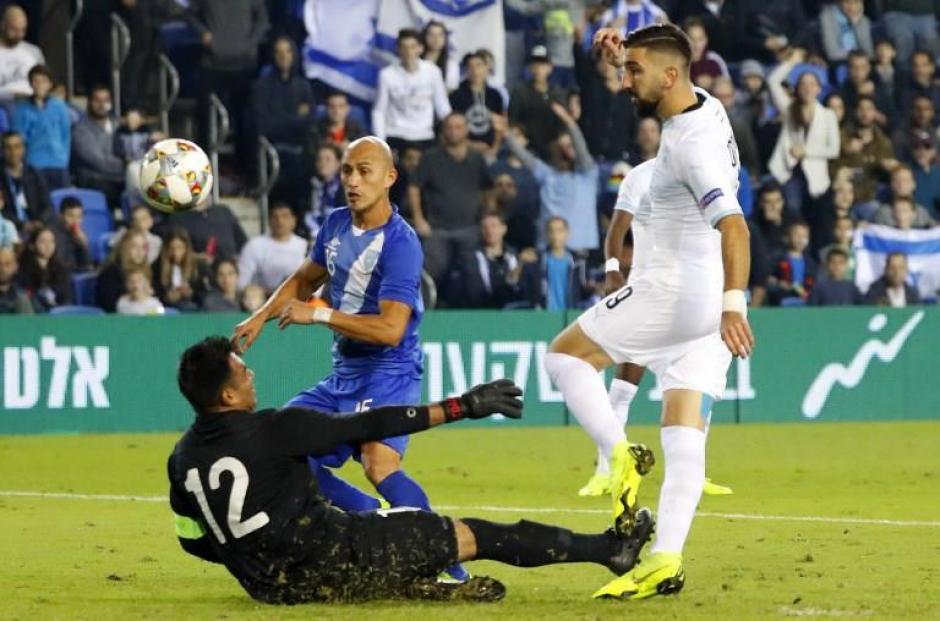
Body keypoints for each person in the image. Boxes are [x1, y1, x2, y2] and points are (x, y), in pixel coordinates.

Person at [169, 336, 654, 603]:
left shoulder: (182, 459)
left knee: (374, 537)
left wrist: (252, 558)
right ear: (228, 396)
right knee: (472, 534)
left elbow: (193, 540)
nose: (251, 375)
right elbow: (371, 422)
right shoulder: (275, 428)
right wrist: (461, 406)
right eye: (243, 373)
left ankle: (410, 584)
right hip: (334, 556)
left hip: (268, 588)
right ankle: (610, 550)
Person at [546, 24, 753, 600]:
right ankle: (665, 559)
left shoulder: (690, 146)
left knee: (562, 359)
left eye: (634, 71)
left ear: (667, 77)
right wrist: (624, 58)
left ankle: (618, 456)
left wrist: (735, 304)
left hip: (675, 292)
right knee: (685, 438)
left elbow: (734, 224)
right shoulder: (705, 106)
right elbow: (663, 68)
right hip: (705, 307)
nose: (625, 78)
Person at [231, 136, 472, 582]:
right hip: (345, 370)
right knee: (281, 450)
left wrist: (321, 314)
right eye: (347, 171)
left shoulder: (401, 244)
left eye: (365, 171)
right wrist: (260, 317)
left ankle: (445, 563)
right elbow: (305, 278)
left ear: (390, 178)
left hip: (388, 371)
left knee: (378, 463)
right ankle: (376, 519)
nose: (353, 181)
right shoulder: (337, 222)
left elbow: (391, 329)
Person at [408, 113, 494, 289]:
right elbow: (414, 187)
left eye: (459, 127)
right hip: (438, 230)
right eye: (450, 127)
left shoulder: (477, 159)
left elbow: (488, 188)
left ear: (467, 130)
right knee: (431, 276)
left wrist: (487, 214)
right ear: (443, 131)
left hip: (471, 229)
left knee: (472, 275)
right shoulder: (430, 158)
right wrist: (418, 218)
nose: (454, 131)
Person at [503, 102, 599, 252]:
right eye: (560, 149)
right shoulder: (545, 174)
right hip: (547, 250)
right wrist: (505, 132)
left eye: (568, 147)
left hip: (579, 249)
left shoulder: (587, 175)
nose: (564, 152)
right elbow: (521, 154)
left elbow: (581, 149)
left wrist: (569, 122)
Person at [188, 0, 269, 175]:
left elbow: (262, 20)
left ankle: (246, 175)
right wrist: (204, 33)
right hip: (212, 64)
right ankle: (202, 173)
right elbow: (191, 15)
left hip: (244, 65)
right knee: (205, 121)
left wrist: (251, 43)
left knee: (247, 123)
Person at [767, 48, 841, 219]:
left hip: (816, 179)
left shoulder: (828, 115)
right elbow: (772, 81)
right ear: (797, 88)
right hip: (790, 173)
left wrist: (806, 152)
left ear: (819, 89)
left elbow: (833, 150)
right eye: (803, 84)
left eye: (812, 84)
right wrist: (792, 62)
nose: (807, 88)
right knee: (793, 215)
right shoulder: (789, 109)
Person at [251, 36, 316, 214]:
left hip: (300, 152)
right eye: (278, 52)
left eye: (287, 51)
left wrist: (282, 119)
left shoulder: (303, 86)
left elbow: (309, 123)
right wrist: (296, 117)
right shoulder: (261, 87)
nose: (284, 56)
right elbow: (264, 127)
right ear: (273, 56)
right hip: (272, 151)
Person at [372, 29, 452, 153]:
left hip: (424, 135)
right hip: (395, 134)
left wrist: (450, 132)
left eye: (412, 47)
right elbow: (379, 110)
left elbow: (442, 106)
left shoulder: (433, 72)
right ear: (398, 50)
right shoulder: (386, 74)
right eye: (404, 47)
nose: (409, 52)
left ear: (420, 48)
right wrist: (381, 143)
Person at [12, 65, 70, 190]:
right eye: (36, 81)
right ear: (30, 84)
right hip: (34, 163)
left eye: (43, 81)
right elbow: (19, 139)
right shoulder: (22, 110)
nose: (39, 85)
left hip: (58, 163)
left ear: (50, 84)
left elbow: (66, 135)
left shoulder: (60, 106)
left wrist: (64, 158)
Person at [71, 86, 125, 208]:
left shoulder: (116, 124)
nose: (102, 104)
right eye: (97, 100)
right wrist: (124, 165)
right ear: (89, 102)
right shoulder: (80, 129)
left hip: (120, 178)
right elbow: (97, 161)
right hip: (94, 179)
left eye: (105, 100)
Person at [508, 46, 567, 159]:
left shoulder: (557, 93)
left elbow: (563, 123)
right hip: (527, 146)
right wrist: (519, 135)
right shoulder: (520, 92)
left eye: (543, 64)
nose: (539, 68)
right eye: (535, 64)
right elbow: (513, 120)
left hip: (553, 146)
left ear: (550, 68)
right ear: (530, 68)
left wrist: (559, 139)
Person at [460, 210, 526, 309]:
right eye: (485, 227)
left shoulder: (514, 256)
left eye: (493, 226)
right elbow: (473, 291)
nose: (489, 231)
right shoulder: (470, 258)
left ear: (504, 229)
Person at [238, 202, 308, 293]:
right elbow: (241, 283)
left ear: (294, 220)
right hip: (263, 300)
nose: (280, 221)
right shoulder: (254, 245)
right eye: (275, 217)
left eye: (285, 216)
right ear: (269, 220)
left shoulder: (305, 246)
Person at [449, 51, 506, 150]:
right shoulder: (456, 95)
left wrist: (494, 149)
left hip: (490, 147)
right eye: (470, 66)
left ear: (486, 68)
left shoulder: (495, 95)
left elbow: (500, 126)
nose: (475, 70)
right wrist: (470, 145)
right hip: (463, 147)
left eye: (479, 66)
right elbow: (449, 127)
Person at [0, 130, 53, 234]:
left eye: (17, 146)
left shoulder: (35, 173)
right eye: (8, 147)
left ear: (23, 149)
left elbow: (47, 206)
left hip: (37, 227)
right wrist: (21, 224)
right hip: (8, 229)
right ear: (2, 150)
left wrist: (40, 222)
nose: (13, 152)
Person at [158, 202, 247, 261]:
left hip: (230, 269)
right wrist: (196, 257)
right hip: (200, 271)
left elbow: (243, 243)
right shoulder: (178, 217)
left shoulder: (223, 210)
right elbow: (171, 251)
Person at [152, 228, 209, 312]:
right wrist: (167, 297)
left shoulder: (198, 266)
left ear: (186, 248)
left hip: (192, 306)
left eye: (179, 247)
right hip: (165, 308)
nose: (175, 252)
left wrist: (191, 293)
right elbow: (155, 292)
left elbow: (205, 292)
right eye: (171, 248)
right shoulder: (157, 267)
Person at [16, 225, 71, 312]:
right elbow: (26, 294)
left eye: (51, 241)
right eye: (43, 241)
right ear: (32, 245)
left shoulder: (60, 268)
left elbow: (65, 296)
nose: (48, 245)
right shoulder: (23, 268)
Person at [97, 229, 151, 312]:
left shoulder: (147, 269)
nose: (139, 251)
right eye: (134, 247)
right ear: (124, 248)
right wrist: (132, 296)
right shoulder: (111, 271)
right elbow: (109, 303)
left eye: (143, 247)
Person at [767, 220, 815, 305]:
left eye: (804, 236)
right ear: (788, 237)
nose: (801, 239)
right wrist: (779, 284)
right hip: (783, 299)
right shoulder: (778, 258)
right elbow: (769, 277)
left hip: (805, 300)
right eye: (797, 235)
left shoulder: (810, 262)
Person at [0, 4, 43, 99]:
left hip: (31, 105)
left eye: (22, 30)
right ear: (3, 25)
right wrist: (12, 95)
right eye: (14, 30)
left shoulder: (33, 51)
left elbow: (45, 81)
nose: (19, 35)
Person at [307, 144, 346, 235]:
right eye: (319, 159)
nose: (323, 163)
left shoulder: (346, 188)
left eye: (327, 159)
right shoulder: (312, 186)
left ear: (338, 163)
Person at [819, 0, 872, 65]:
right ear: (839, 2)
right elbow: (832, 53)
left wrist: (856, 25)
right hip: (838, 63)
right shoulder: (827, 17)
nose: (852, 7)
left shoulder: (864, 21)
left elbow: (869, 53)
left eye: (856, 2)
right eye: (847, 2)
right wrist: (856, 58)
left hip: (860, 63)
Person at [683, 16, 728, 91]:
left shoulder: (714, 60)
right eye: (692, 39)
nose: (697, 45)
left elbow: (727, 89)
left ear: (706, 39)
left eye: (700, 39)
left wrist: (714, 82)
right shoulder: (675, 63)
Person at [52, 196, 92, 273]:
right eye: (71, 216)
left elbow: (86, 265)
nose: (75, 221)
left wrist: (83, 245)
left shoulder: (80, 233)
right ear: (60, 215)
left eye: (79, 217)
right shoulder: (52, 234)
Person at [421, 21, 459, 92]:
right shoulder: (416, 60)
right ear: (425, 37)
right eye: (431, 35)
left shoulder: (450, 64)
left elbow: (450, 89)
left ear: (445, 38)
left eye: (440, 35)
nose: (436, 39)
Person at [0, 245, 31, 313]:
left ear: (15, 267)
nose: (3, 269)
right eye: (0, 264)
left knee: (22, 301)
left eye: (8, 264)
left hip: (21, 323)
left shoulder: (23, 291)